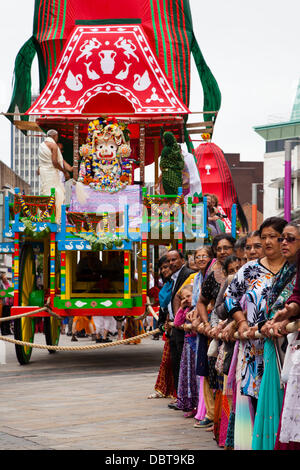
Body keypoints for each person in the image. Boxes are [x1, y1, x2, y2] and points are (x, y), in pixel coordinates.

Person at [224, 216, 287, 448]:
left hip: (283, 348)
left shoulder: (293, 268)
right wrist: (240, 322)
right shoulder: (250, 269)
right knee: (255, 401)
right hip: (253, 350)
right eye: (265, 237)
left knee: (284, 401)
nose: (268, 241)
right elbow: (230, 297)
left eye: (274, 236)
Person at [251, 222, 300, 450]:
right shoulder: (288, 269)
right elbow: (296, 298)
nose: (282, 243)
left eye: (288, 239)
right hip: (273, 339)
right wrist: (287, 310)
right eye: (283, 238)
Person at [194, 234, 236, 429]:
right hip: (214, 331)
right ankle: (214, 416)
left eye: (226, 248)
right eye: (218, 249)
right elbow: (201, 302)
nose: (222, 252)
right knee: (212, 372)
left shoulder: (241, 271)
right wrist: (207, 324)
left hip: (234, 330)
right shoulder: (213, 275)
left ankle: (223, 420)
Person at [165, 250, 194, 409]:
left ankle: (182, 398)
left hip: (183, 326)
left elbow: (182, 297)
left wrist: (179, 317)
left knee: (181, 364)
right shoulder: (174, 276)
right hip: (177, 324)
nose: (171, 263)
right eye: (169, 260)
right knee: (176, 362)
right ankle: (179, 396)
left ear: (182, 260)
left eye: (174, 259)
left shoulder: (188, 274)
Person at [149, 256, 177, 399]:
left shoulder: (177, 282)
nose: (165, 270)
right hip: (168, 325)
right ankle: (163, 389)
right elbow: (163, 308)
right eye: (163, 268)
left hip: (176, 324)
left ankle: (175, 392)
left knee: (173, 360)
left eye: (167, 267)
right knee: (166, 360)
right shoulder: (166, 285)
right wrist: (161, 324)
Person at [174, 285, 199, 417]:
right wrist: (182, 307)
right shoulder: (187, 309)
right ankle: (190, 404)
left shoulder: (198, 308)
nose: (187, 299)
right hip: (188, 345)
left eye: (189, 296)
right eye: (184, 298)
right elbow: (177, 322)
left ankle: (199, 406)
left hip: (197, 344)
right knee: (189, 376)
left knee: (197, 376)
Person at [38, 129, 73, 223]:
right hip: (52, 172)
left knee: (47, 192)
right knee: (57, 194)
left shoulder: (41, 145)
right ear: (55, 136)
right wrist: (64, 171)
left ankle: (47, 216)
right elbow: (54, 162)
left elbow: (42, 163)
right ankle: (54, 218)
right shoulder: (53, 145)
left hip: (44, 172)